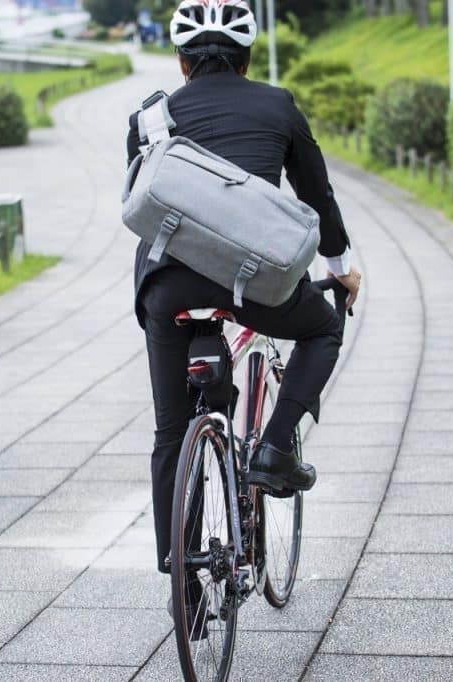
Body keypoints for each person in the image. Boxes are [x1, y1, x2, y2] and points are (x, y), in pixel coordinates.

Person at [128, 0, 363, 577]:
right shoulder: (277, 105)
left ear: (181, 63)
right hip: (255, 281)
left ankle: (177, 565)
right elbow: (317, 193)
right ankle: (275, 448)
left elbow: (139, 202)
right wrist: (340, 264)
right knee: (323, 328)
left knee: (169, 428)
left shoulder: (149, 118)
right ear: (248, 58)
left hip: (167, 286)